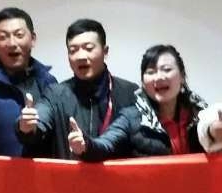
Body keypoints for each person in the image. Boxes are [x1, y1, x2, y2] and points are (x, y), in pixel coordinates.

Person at [17, 18, 139, 159]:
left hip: (117, 173)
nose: (81, 56)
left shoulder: (130, 93)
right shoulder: (55, 94)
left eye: (89, 48)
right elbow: (40, 118)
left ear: (105, 51)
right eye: (73, 50)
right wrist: (27, 127)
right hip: (70, 173)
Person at [76, 44, 208, 160]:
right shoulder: (131, 118)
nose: (159, 77)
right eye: (151, 72)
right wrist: (86, 145)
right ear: (143, 83)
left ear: (182, 76)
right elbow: (106, 144)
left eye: (167, 69)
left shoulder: (201, 115)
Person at [0, 7, 58, 156]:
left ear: (33, 39)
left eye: (19, 35)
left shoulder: (49, 83)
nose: (12, 43)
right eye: (3, 37)